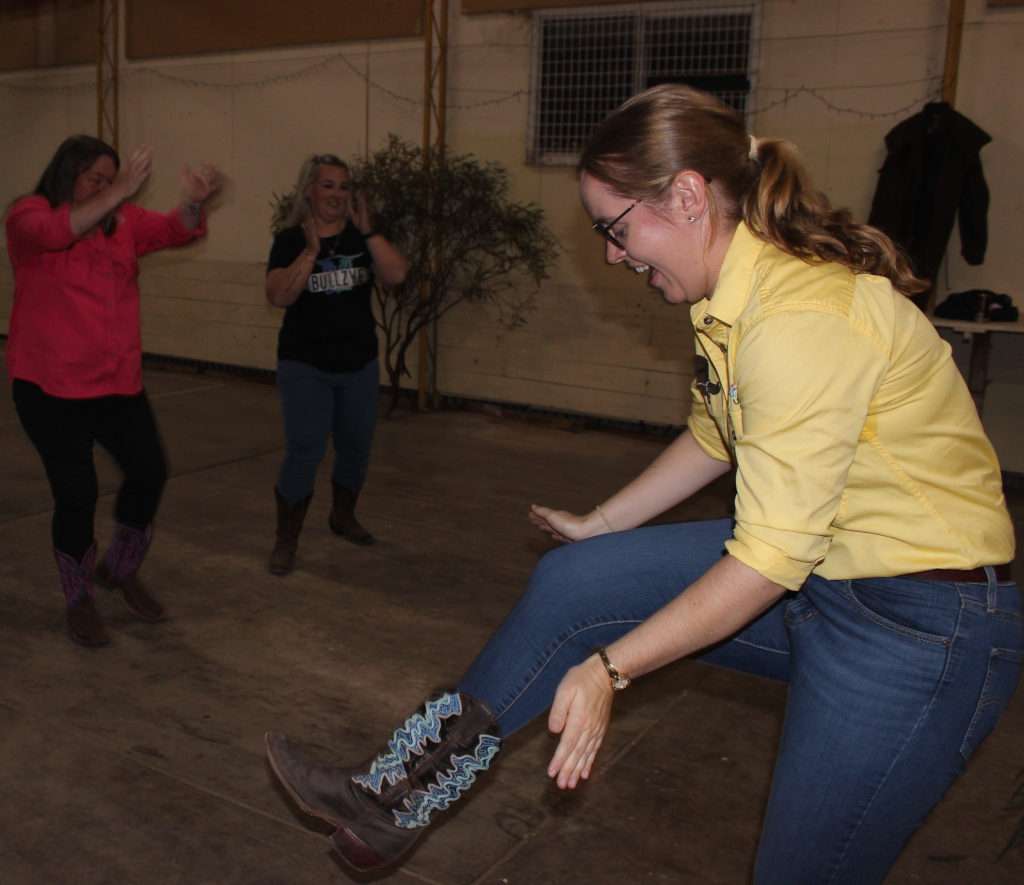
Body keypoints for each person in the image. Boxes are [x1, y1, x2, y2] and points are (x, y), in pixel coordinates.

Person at [264, 85, 1021, 882]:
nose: (613, 256)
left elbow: (767, 559)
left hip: (919, 626)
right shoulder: (727, 298)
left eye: (616, 229)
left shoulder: (802, 317)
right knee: (572, 581)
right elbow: (714, 434)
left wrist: (611, 669)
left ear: (689, 197)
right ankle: (388, 801)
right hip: (825, 572)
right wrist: (602, 521)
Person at [6, 135, 222, 648]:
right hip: (49, 388)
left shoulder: (121, 223)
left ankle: (119, 569)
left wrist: (192, 203)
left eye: (111, 179)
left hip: (114, 383)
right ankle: (78, 597)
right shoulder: (28, 215)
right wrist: (120, 190)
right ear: (66, 175)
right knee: (76, 493)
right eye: (95, 179)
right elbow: (58, 232)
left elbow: (176, 230)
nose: (106, 189)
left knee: (149, 472)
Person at [265, 153, 407, 576]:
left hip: (358, 363)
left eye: (344, 186)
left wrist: (370, 231)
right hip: (305, 363)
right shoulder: (290, 239)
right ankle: (285, 539)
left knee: (356, 447)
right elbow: (278, 296)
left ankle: (342, 517)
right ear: (310, 190)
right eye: (328, 185)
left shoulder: (362, 239)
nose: (337, 194)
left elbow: (397, 275)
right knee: (305, 450)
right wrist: (311, 253)